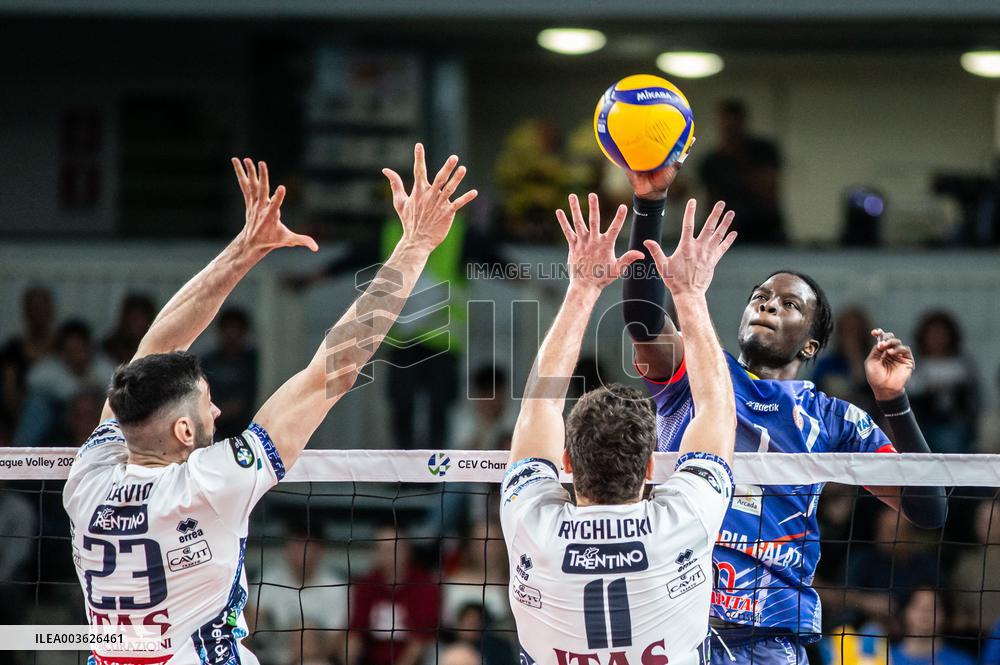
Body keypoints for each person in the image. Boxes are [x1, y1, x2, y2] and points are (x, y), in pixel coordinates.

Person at [61, 145, 477, 665]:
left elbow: (154, 352)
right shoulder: (209, 484)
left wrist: (245, 248)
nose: (217, 413)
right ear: (184, 432)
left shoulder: (90, 474)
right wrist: (414, 246)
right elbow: (334, 371)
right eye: (207, 404)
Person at [622, 164, 947, 664]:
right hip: (676, 625)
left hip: (771, 637)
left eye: (789, 304)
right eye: (760, 297)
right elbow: (644, 320)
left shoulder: (831, 418)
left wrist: (892, 400)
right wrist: (650, 204)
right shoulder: (700, 372)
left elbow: (930, 509)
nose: (768, 305)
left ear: (811, 344)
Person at [501, 191, 738, 664]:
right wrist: (689, 295)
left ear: (567, 463)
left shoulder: (531, 524)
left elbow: (538, 410)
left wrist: (581, 289)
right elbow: (716, 409)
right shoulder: (685, 518)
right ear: (651, 467)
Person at [248, 516, 347, 665]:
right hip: (272, 658)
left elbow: (336, 639)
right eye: (296, 544)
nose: (301, 551)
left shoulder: (335, 587)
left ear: (320, 550)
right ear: (287, 547)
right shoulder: (269, 579)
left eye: (308, 544)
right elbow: (250, 624)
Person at [343, 525, 441, 665]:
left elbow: (419, 641)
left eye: (393, 549)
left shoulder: (426, 586)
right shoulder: (366, 584)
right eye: (382, 549)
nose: (388, 556)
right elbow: (355, 633)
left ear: (407, 551)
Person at [698, 99, 787, 244]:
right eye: (727, 128)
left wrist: (737, 158)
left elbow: (768, 189)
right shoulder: (711, 161)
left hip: (766, 230)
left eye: (734, 127)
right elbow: (711, 202)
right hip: (728, 232)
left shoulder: (764, 151)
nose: (731, 132)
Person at [14, 320, 114, 446]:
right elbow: (31, 380)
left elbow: (117, 391)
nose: (75, 354)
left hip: (94, 414)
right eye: (70, 349)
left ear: (89, 348)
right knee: (37, 403)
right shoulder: (52, 367)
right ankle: (21, 452)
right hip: (61, 417)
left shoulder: (103, 368)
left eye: (79, 348)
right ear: (62, 352)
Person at [907, 310, 979, 453]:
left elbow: (971, 401)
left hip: (952, 424)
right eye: (933, 334)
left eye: (942, 335)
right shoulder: (914, 364)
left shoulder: (961, 366)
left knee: (950, 441)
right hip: (919, 422)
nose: (937, 339)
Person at [0, 286, 55, 443]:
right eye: (33, 309)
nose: (38, 315)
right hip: (23, 412)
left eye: (42, 309)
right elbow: (9, 388)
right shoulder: (13, 349)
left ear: (51, 311)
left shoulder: (63, 346)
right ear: (25, 313)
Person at [200, 307, 258, 439]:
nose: (232, 337)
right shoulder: (208, 361)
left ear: (244, 333)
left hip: (244, 429)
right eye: (228, 331)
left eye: (236, 331)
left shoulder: (252, 360)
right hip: (212, 428)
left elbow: (247, 399)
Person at [889, 589, 974, 665]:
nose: (925, 612)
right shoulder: (885, 658)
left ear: (945, 615)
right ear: (904, 612)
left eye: (934, 607)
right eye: (918, 605)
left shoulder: (962, 661)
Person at [102, 294, 157, 366]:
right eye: (133, 317)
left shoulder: (157, 353)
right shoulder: (104, 352)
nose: (135, 322)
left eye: (140, 318)